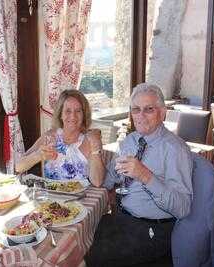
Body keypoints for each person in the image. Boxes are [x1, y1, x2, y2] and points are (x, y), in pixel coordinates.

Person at [85, 83, 193, 266]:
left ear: (162, 112)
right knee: (81, 241)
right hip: (121, 218)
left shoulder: (176, 149)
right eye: (136, 109)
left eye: (148, 109)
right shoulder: (130, 141)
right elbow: (107, 181)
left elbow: (183, 208)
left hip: (151, 229)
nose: (140, 115)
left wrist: (146, 176)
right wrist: (94, 152)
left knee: (90, 258)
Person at [15, 90, 105, 187]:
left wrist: (96, 148)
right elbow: (18, 167)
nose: (73, 116)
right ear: (60, 114)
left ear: (84, 115)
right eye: (68, 111)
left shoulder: (90, 140)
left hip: (80, 200)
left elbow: (97, 182)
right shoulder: (49, 137)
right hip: (51, 199)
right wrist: (38, 155)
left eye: (78, 111)